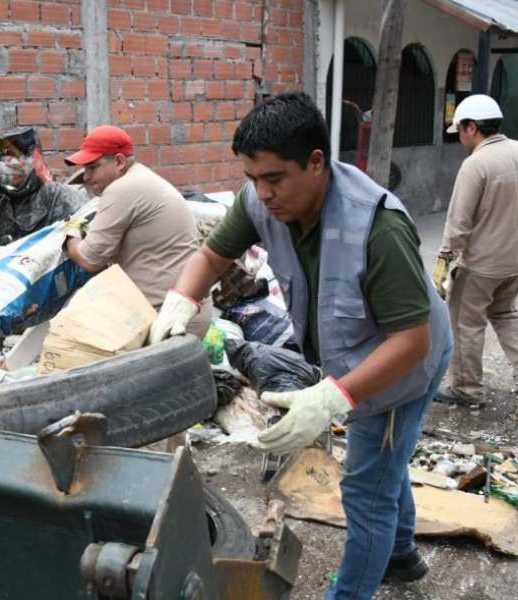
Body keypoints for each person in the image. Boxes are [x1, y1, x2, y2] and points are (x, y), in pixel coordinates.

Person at [149, 93, 452, 599]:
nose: (261, 193)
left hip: (402, 364)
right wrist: (181, 298)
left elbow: (412, 341)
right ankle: (400, 555)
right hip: (358, 355)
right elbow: (211, 253)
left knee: (364, 488)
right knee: (383, 462)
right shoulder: (260, 202)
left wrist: (334, 398)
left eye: (274, 178)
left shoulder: (378, 228)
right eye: (252, 179)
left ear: (316, 163)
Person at [432, 94, 518, 407]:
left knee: (466, 322)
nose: (461, 138)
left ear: (472, 127)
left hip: (482, 265)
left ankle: (467, 390)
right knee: (505, 312)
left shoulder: (476, 164)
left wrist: (443, 266)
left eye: (461, 130)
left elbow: (458, 224)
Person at [62, 125, 199, 310]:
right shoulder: (139, 177)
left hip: (164, 314)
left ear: (119, 162)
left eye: (93, 167)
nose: (86, 177)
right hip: (179, 307)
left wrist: (69, 235)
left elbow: (90, 260)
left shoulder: (122, 188)